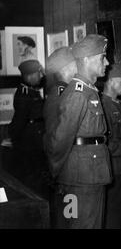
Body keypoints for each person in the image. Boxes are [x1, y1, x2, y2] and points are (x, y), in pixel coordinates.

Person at [47, 34, 111, 229]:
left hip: (87, 174)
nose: (106, 62)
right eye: (102, 57)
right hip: (81, 177)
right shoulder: (78, 93)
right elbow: (61, 139)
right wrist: (57, 172)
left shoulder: (88, 90)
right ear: (86, 60)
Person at [42, 46, 77, 228]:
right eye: (74, 63)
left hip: (68, 169)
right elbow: (53, 138)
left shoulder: (66, 92)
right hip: (64, 171)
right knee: (68, 218)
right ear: (65, 68)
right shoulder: (59, 95)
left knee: (73, 218)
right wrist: (59, 173)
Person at [8, 59, 48, 197]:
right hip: (30, 147)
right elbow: (19, 122)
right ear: (30, 76)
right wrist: (14, 139)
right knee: (34, 185)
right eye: (39, 73)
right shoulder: (24, 94)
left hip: (34, 144)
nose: (42, 76)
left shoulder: (31, 91)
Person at [101, 63, 121, 229]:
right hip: (113, 169)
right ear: (110, 82)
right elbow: (106, 143)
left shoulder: (119, 104)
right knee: (112, 213)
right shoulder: (103, 106)